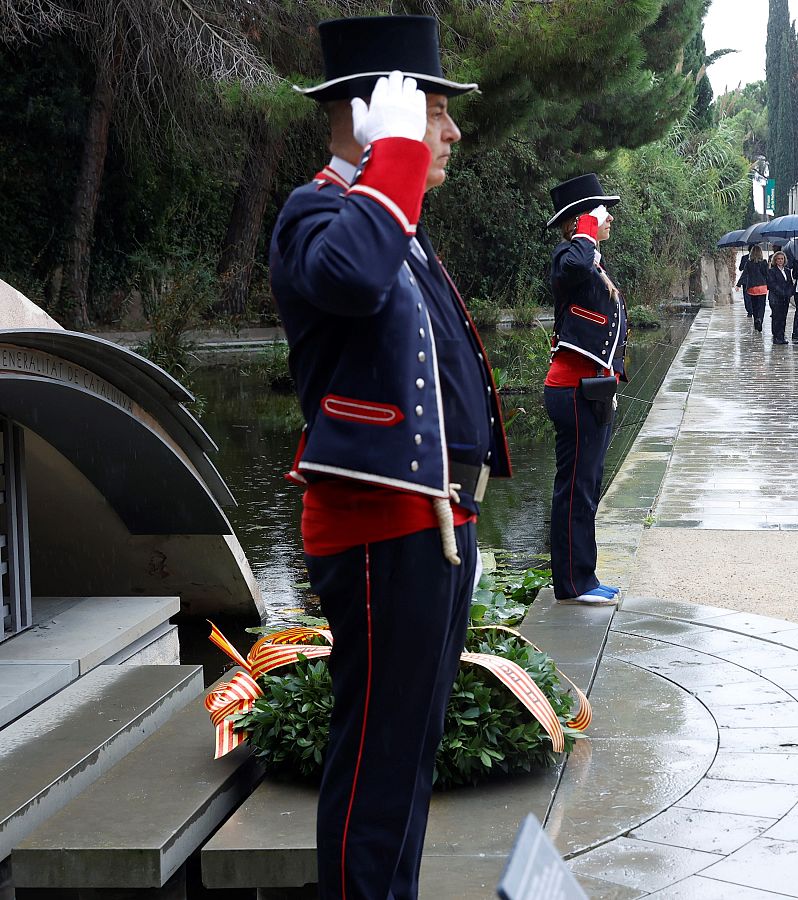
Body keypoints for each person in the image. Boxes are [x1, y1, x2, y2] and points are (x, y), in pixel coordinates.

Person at [269, 16, 511, 898]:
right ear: (381, 111)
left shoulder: (388, 219)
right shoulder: (322, 212)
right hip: (379, 532)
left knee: (406, 759)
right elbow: (348, 281)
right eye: (433, 111)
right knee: (375, 768)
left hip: (430, 527)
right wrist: (394, 161)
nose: (448, 132)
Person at [545, 171, 628, 610]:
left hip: (591, 393)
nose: (609, 217)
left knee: (586, 486)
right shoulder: (569, 258)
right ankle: (575, 584)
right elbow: (575, 265)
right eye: (601, 211)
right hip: (572, 393)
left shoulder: (589, 263)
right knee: (575, 488)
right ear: (582, 221)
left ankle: (584, 575)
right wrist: (585, 234)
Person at [766, 249, 794, 345]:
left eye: (782, 259)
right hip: (775, 298)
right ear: (775, 260)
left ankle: (781, 336)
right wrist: (782, 292)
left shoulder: (787, 271)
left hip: (785, 298)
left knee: (783, 317)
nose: (780, 260)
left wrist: (789, 292)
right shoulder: (771, 271)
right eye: (778, 259)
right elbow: (772, 285)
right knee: (776, 317)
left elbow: (790, 283)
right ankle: (776, 337)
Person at [737, 246, 768, 332]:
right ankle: (760, 319)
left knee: (754, 306)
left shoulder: (748, 263)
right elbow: (766, 274)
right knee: (761, 306)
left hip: (752, 288)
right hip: (762, 287)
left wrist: (738, 284)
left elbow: (744, 274)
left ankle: (755, 321)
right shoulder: (764, 263)